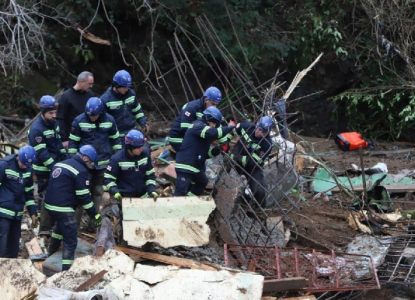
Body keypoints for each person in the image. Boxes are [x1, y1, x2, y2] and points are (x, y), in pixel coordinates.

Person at [45, 145, 102, 271]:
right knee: (70, 240)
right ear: (86, 158)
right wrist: (94, 215)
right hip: (63, 208)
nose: (90, 166)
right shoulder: (80, 170)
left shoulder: (61, 164)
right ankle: (66, 272)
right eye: (90, 163)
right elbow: (84, 197)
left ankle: (50, 253)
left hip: (49, 206)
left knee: (59, 229)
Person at [68, 97, 121, 213]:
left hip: (103, 163)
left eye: (94, 115)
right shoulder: (79, 121)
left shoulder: (109, 120)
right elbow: (73, 143)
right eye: (90, 115)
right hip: (85, 164)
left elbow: (116, 141)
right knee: (82, 191)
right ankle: (78, 219)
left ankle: (94, 219)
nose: (92, 118)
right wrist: (73, 162)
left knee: (98, 191)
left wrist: (116, 159)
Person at [174, 107, 235, 196]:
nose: (214, 126)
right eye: (214, 123)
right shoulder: (198, 126)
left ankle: (190, 202)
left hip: (194, 166)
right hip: (185, 166)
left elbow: (206, 154)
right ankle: (175, 208)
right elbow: (214, 133)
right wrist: (230, 127)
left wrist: (218, 149)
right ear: (208, 118)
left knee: (202, 182)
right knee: (180, 194)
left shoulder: (203, 133)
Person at [28, 95, 67, 235]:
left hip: (55, 164)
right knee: (44, 194)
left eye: (55, 113)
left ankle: (51, 221)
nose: (54, 115)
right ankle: (42, 224)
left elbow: (58, 144)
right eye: (51, 113)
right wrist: (56, 168)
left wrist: (64, 158)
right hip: (43, 168)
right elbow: (42, 153)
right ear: (43, 112)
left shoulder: (54, 124)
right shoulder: (37, 129)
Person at [0, 146, 38, 258]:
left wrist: (33, 213)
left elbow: (28, 194)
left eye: (27, 165)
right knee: (2, 243)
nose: (24, 166)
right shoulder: (5, 165)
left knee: (14, 244)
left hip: (17, 213)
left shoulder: (29, 169)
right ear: (18, 157)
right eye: (23, 164)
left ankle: (12, 269)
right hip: (3, 212)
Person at [230, 116, 274, 207]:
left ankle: (258, 210)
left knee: (259, 191)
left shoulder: (267, 144)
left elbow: (254, 161)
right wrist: (226, 142)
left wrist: (237, 158)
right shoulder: (247, 126)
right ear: (256, 125)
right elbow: (232, 131)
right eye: (259, 128)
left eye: (263, 131)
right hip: (236, 157)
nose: (259, 132)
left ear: (268, 133)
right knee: (228, 177)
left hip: (252, 167)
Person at [169, 86, 227, 153]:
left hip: (193, 138)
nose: (214, 107)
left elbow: (217, 126)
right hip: (179, 138)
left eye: (216, 105)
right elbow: (186, 129)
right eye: (213, 104)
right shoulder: (191, 108)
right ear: (206, 100)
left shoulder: (211, 111)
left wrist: (225, 143)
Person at [104, 129, 157, 201]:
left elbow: (150, 175)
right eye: (138, 147)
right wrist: (115, 192)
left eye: (142, 146)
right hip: (126, 199)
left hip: (144, 197)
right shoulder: (117, 159)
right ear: (130, 147)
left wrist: (152, 190)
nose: (141, 149)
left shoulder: (145, 155)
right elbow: (108, 178)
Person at [100, 70, 149, 145]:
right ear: (116, 85)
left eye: (128, 87)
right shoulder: (106, 99)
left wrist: (143, 123)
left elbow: (137, 110)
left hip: (132, 132)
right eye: (124, 87)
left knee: (144, 149)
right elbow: (102, 122)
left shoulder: (131, 94)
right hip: (117, 136)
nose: (126, 89)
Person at [56, 71, 94, 149]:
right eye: (89, 84)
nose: (91, 86)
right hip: (72, 138)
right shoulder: (65, 97)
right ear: (81, 82)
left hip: (88, 136)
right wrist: (64, 139)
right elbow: (60, 119)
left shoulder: (90, 94)